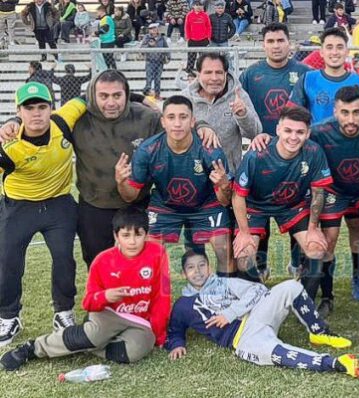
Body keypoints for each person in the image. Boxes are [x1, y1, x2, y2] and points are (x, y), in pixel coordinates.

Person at [0, 70, 218, 269]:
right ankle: (102, 308)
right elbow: (41, 117)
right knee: (97, 261)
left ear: (126, 94)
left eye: (117, 95)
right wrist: (15, 119)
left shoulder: (146, 117)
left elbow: (176, 122)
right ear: (93, 96)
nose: (111, 102)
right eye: (103, 96)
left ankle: (137, 304)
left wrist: (201, 126)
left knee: (139, 262)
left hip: (137, 203)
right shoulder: (78, 119)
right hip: (94, 205)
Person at [0, 206, 171, 370]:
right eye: (126, 235)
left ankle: (87, 345)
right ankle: (34, 348)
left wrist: (159, 334)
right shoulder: (102, 261)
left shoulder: (158, 253)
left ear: (146, 234)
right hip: (108, 314)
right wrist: (106, 297)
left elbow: (162, 296)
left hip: (139, 320)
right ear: (116, 236)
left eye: (138, 234)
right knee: (94, 335)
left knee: (139, 348)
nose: (132, 241)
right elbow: (88, 303)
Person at [165, 250, 359, 378]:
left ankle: (318, 332)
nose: (197, 271)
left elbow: (258, 290)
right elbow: (175, 329)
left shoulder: (224, 283)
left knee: (292, 286)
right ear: (183, 274)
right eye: (191, 268)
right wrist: (177, 344)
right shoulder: (183, 305)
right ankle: (335, 363)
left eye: (202, 265)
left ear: (209, 267)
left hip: (257, 314)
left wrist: (230, 312)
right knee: (277, 354)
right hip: (242, 338)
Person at [0, 83, 87, 347]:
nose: (36, 113)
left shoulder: (63, 121)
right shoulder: (8, 145)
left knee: (63, 257)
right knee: (7, 261)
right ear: (19, 111)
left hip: (58, 204)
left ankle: (63, 312)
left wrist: (145, 99)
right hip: (19, 206)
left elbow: (91, 96)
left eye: (42, 107)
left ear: (52, 107)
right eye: (29, 108)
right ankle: (8, 316)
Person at [116, 95, 233, 274]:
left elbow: (224, 201)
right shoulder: (148, 150)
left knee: (223, 247)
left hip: (206, 204)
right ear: (163, 121)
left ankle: (227, 293)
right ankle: (151, 295)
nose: (177, 123)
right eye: (171, 117)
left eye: (183, 117)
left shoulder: (210, 150)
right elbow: (129, 196)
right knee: (150, 249)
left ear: (193, 121)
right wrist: (121, 182)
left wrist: (224, 186)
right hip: (165, 205)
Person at [305, 86, 359, 319]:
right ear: (335, 111)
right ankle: (327, 297)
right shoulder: (319, 131)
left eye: (356, 112)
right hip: (334, 191)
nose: (350, 119)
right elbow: (293, 140)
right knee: (328, 240)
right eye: (344, 113)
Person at [232, 106, 332, 297]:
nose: (293, 137)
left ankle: (302, 301)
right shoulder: (256, 155)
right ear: (278, 130)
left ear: (308, 133)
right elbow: (238, 195)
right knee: (244, 255)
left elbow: (318, 193)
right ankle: (256, 298)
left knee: (316, 249)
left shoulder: (314, 152)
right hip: (256, 206)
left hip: (292, 206)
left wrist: (312, 228)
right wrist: (244, 233)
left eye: (300, 132)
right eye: (288, 131)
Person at [181, 52, 262, 175]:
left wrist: (243, 115)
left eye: (219, 72)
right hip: (191, 173)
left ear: (226, 74)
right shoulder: (184, 98)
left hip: (228, 173)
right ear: (198, 74)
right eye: (208, 72)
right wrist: (199, 125)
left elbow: (255, 133)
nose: (214, 78)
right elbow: (173, 132)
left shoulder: (239, 95)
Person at [240, 23, 311, 137]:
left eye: (280, 40)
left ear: (289, 43)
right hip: (262, 145)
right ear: (263, 45)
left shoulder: (306, 73)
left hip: (295, 143)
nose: (276, 46)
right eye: (270, 41)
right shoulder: (250, 74)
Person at [289, 28, 359, 124]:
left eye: (340, 47)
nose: (334, 52)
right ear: (321, 52)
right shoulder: (307, 79)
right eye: (329, 47)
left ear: (347, 51)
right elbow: (292, 116)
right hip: (316, 138)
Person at [141, 22, 169, 98]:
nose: (154, 30)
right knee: (149, 79)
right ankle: (147, 94)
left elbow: (166, 48)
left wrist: (168, 57)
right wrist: (149, 45)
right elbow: (142, 48)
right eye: (152, 29)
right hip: (150, 61)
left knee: (158, 79)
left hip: (160, 61)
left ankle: (157, 95)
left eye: (155, 28)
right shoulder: (146, 37)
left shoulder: (162, 37)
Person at [184, 0, 211, 72]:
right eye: (196, 5)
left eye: (200, 5)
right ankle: (189, 72)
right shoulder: (189, 15)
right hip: (192, 40)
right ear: (193, 6)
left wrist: (208, 37)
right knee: (191, 57)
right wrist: (188, 37)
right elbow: (187, 27)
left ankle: (203, 70)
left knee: (203, 57)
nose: (198, 7)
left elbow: (208, 27)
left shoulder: (205, 15)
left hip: (203, 40)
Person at [96, 5, 118, 69]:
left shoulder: (106, 18)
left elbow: (105, 29)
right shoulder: (104, 19)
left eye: (97, 12)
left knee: (108, 57)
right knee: (107, 57)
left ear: (101, 11)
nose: (97, 14)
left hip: (108, 40)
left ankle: (113, 70)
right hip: (105, 40)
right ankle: (109, 70)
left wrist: (95, 33)